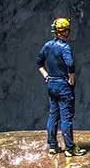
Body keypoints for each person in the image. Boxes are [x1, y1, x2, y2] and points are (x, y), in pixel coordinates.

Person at [37, 18, 86, 157]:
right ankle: (70, 148)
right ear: (63, 32)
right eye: (67, 30)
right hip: (63, 85)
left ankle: (52, 146)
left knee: (53, 115)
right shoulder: (65, 47)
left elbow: (39, 62)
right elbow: (70, 63)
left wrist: (46, 75)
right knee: (66, 117)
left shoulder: (47, 45)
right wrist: (71, 76)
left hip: (51, 84)